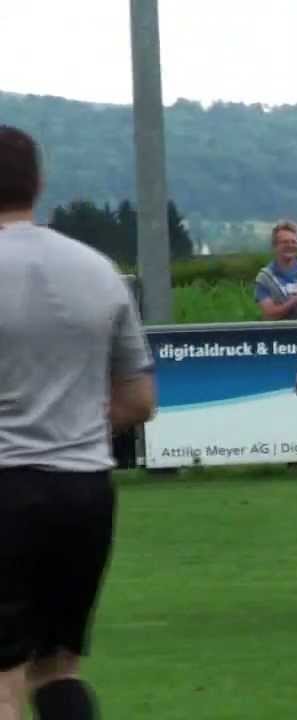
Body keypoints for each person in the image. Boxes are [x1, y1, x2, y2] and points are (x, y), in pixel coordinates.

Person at [0, 125, 156, 720]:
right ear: (39, 184)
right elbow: (139, 400)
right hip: (84, 490)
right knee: (58, 667)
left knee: (4, 677)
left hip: (6, 486)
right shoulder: (98, 271)